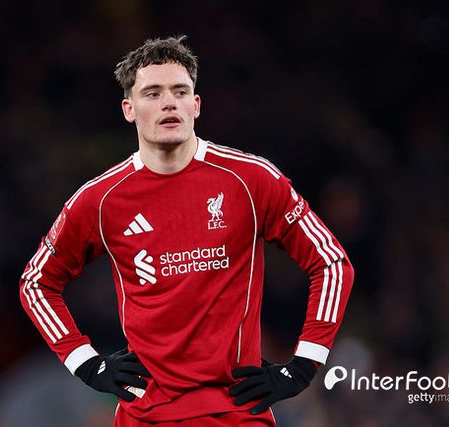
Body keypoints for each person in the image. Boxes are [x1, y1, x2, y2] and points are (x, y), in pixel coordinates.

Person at [19, 35, 354, 426]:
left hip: (235, 415)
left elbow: (332, 263)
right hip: (145, 416)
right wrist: (87, 363)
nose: (169, 102)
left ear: (195, 104)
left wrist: (305, 364)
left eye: (179, 91)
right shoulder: (101, 199)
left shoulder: (251, 180)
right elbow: (36, 283)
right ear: (129, 109)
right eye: (153, 93)